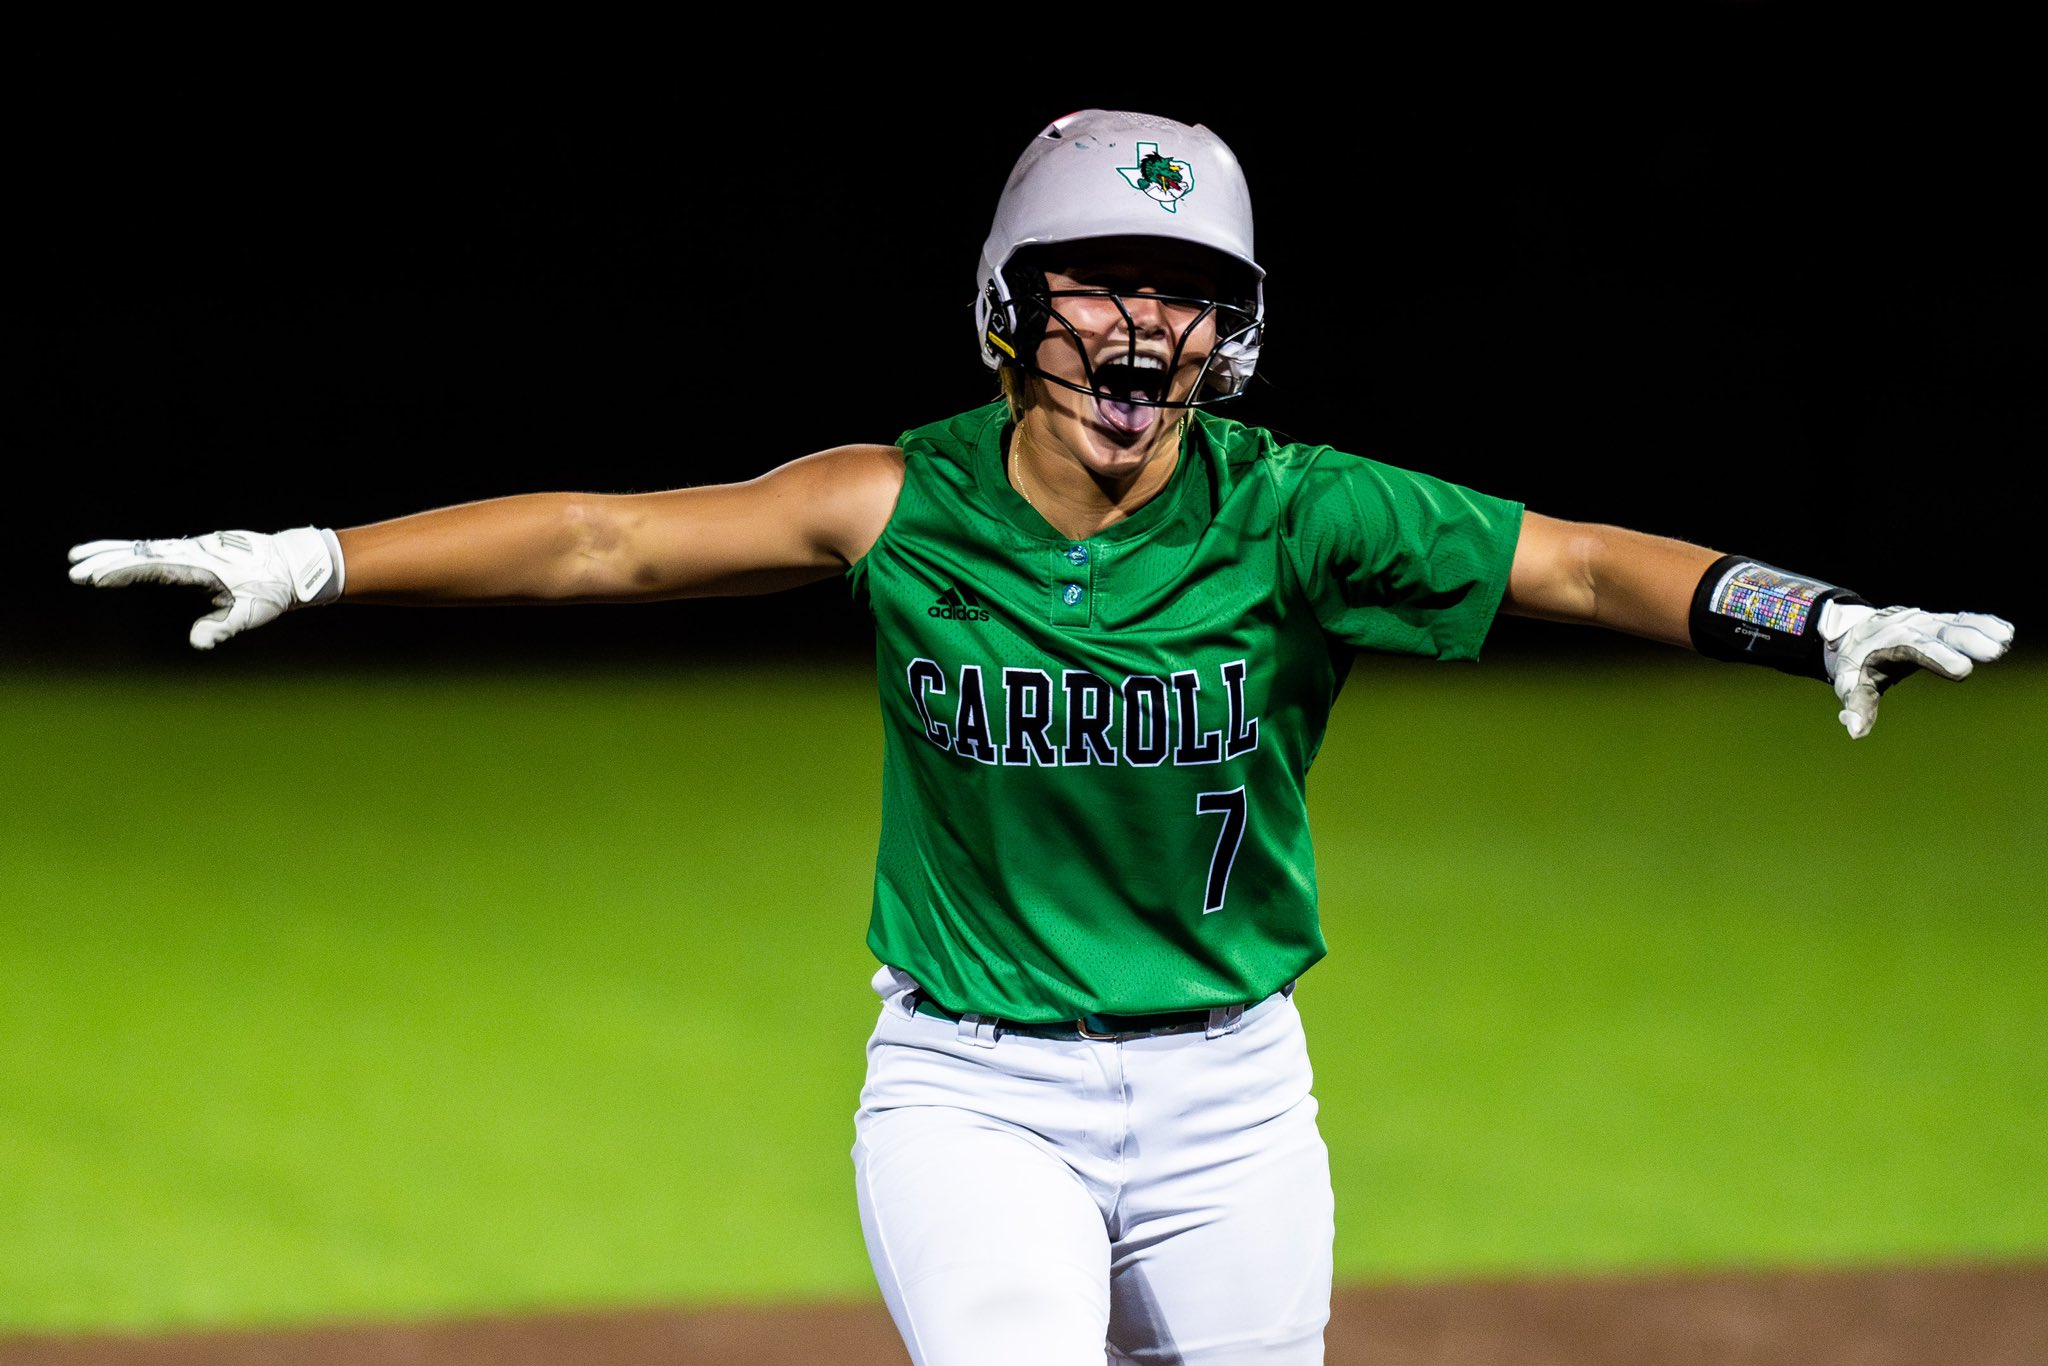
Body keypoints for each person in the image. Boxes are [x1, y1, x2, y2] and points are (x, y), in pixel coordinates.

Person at [67, 108, 2014, 1365]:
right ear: (1014, 304)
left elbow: (1578, 566)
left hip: (1234, 1093)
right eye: (1099, 276)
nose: (1139, 325)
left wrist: (1807, 612)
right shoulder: (897, 502)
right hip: (972, 1089)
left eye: (1185, 289)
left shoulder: (1294, 510)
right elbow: (603, 538)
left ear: (1231, 332)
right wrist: (316, 557)